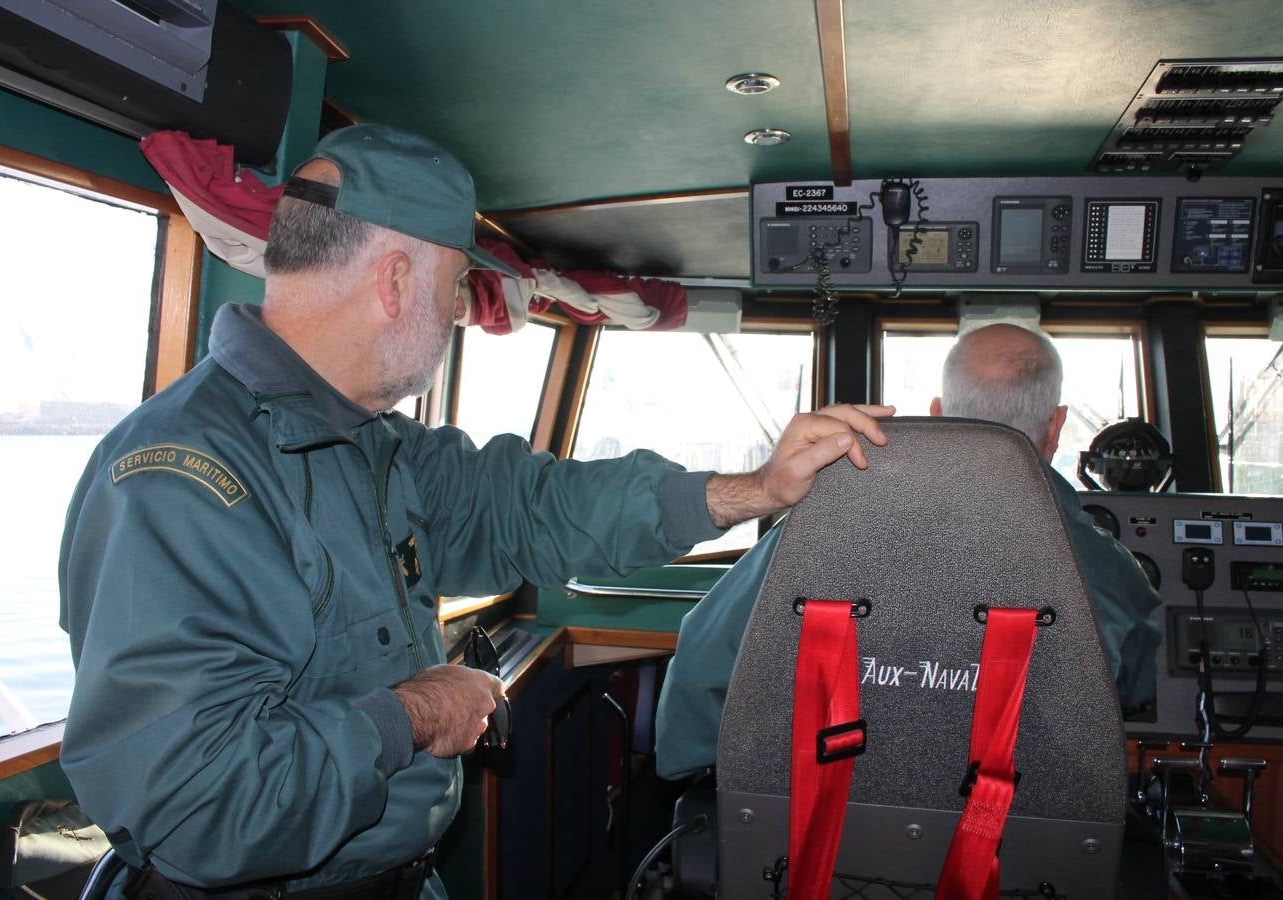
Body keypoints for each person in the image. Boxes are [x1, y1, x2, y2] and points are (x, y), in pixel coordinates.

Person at [57, 124, 893, 899]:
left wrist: (756, 490)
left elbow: (536, 505)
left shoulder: (376, 444)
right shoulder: (185, 481)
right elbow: (199, 806)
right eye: (457, 289)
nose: (459, 316)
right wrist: (415, 713)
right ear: (394, 280)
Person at [655, 322, 1163, 781]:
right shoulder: (1104, 570)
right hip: (1023, 850)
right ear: (1056, 426)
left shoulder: (820, 527)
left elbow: (703, 662)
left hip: (815, 839)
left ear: (939, 413)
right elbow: (1133, 691)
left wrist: (707, 783)